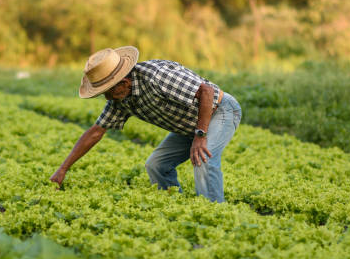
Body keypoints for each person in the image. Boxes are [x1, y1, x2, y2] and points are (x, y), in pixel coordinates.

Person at [50, 46, 241, 202]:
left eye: (108, 91)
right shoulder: (120, 99)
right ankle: (175, 205)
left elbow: (206, 91)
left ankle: (213, 213)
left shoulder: (157, 77)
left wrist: (200, 135)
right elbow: (95, 132)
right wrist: (63, 168)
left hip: (219, 110)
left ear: (124, 82)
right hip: (188, 123)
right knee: (156, 165)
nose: (107, 97)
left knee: (203, 158)